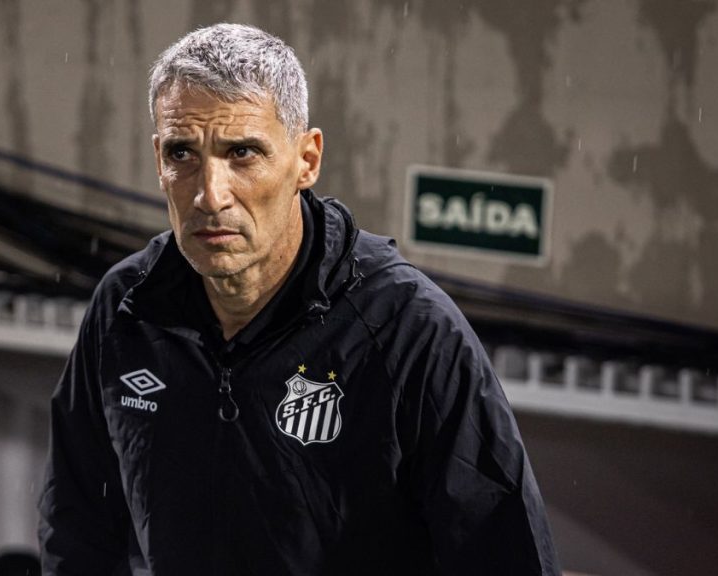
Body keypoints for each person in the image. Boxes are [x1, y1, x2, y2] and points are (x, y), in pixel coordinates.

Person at [39, 23, 559, 576]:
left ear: (306, 160)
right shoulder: (126, 309)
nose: (209, 194)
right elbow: (76, 528)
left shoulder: (410, 330)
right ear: (158, 159)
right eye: (182, 153)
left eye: (242, 153)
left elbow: (507, 554)